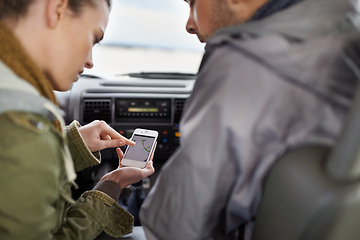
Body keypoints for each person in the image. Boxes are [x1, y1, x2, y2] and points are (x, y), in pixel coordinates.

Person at [140, 0, 359, 239]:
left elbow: (175, 225)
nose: (189, 25)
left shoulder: (246, 65)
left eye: (193, 4)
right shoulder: (349, 35)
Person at [0, 0, 155, 239]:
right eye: (93, 37)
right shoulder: (22, 125)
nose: (90, 61)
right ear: (57, 9)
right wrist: (111, 185)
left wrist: (70, 143)